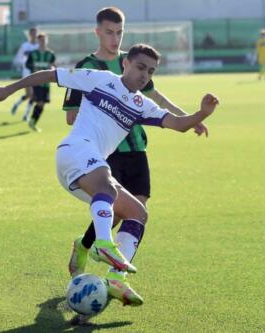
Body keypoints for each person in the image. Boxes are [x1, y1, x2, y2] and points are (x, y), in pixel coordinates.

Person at [0, 43, 219, 306]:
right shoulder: (98, 79)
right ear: (125, 64)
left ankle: (116, 278)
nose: (145, 75)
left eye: (151, 71)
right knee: (107, 185)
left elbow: (177, 124)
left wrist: (202, 113)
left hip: (85, 172)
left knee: (136, 213)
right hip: (74, 152)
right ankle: (103, 244)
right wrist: (8, 89)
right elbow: (51, 75)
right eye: (140, 67)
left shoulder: (142, 104)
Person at [62, 6, 208, 299]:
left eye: (120, 33)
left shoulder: (136, 63)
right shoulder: (88, 66)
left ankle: (116, 277)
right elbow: (70, 114)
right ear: (98, 32)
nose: (115, 39)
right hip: (106, 151)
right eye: (109, 32)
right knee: (115, 211)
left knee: (137, 214)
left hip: (137, 147)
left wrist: (191, 118)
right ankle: (86, 245)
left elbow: (155, 98)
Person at [25, 33, 56, 132]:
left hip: (46, 83)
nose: (42, 41)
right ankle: (31, 120)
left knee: (42, 104)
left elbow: (53, 66)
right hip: (36, 82)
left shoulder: (50, 54)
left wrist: (52, 69)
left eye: (44, 40)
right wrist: (34, 68)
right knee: (40, 102)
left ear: (46, 40)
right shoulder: (33, 54)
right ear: (38, 41)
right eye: (41, 40)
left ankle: (33, 121)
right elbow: (27, 65)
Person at [10, 27, 39, 120]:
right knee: (30, 94)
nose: (34, 35)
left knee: (31, 95)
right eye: (32, 33)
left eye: (35, 33)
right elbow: (18, 58)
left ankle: (24, 113)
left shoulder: (39, 46)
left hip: (37, 72)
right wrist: (24, 64)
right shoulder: (25, 46)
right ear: (29, 35)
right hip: (26, 71)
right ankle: (24, 113)